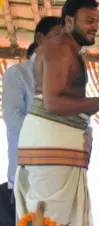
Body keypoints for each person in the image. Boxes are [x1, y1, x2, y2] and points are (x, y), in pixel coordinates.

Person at [14, 0, 99, 226]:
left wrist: (95, 110)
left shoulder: (67, 49)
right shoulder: (59, 48)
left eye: (97, 21)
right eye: (89, 20)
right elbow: (52, 103)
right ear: (68, 21)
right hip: (50, 146)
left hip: (57, 146)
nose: (95, 26)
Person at [2, 17, 61, 190]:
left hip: (60, 173)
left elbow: (81, 121)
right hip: (26, 174)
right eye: (57, 38)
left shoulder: (68, 78)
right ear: (40, 39)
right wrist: (51, 137)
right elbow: (13, 120)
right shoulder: (17, 74)